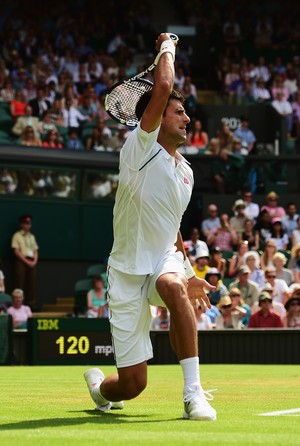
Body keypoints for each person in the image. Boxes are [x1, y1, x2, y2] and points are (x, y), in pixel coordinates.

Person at [83, 33, 216, 421]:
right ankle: (97, 387)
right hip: (125, 272)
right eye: (179, 113)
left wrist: (188, 272)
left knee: (173, 287)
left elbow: (172, 227)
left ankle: (193, 394)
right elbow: (163, 85)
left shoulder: (186, 173)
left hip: (162, 261)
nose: (187, 118)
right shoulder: (139, 149)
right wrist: (167, 45)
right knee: (131, 386)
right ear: (155, 119)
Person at [11, 215, 39, 310]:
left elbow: (35, 250)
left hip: (31, 261)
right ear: (22, 224)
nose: (28, 225)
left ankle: (32, 304)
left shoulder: (32, 236)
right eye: (26, 223)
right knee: (19, 282)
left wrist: (34, 261)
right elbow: (16, 250)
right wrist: (26, 261)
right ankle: (17, 304)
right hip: (21, 261)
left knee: (32, 283)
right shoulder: (17, 235)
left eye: (29, 223)